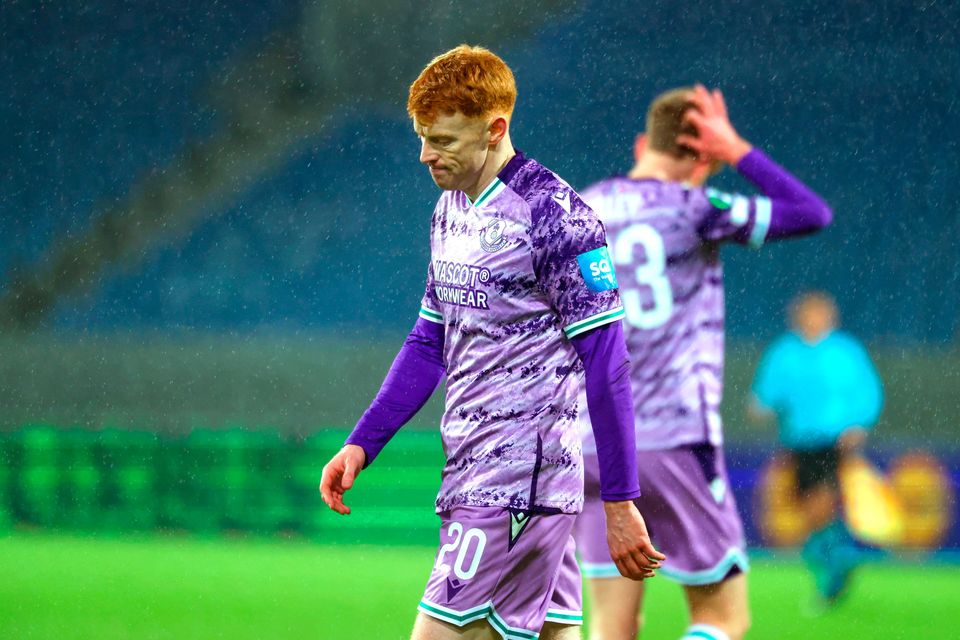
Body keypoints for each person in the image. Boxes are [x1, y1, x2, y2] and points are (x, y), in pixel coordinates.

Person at [319, 45, 665, 640]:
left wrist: (619, 498)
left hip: (514, 490)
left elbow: (606, 364)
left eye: (445, 141)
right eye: (423, 137)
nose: (427, 155)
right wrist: (363, 441)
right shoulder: (449, 208)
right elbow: (431, 342)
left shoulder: (556, 218)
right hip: (479, 475)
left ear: (495, 129)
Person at [573, 85, 833, 640]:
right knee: (722, 619)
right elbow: (811, 213)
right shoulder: (695, 206)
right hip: (672, 438)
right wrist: (740, 150)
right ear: (703, 158)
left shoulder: (582, 208)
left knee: (611, 626)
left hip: (591, 444)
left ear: (644, 142)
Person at [750, 291, 883, 607]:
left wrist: (859, 424)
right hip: (798, 442)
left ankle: (836, 564)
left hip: (833, 441)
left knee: (821, 502)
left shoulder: (845, 351)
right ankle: (838, 557)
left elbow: (869, 392)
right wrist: (762, 407)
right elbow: (764, 397)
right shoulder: (785, 352)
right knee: (811, 509)